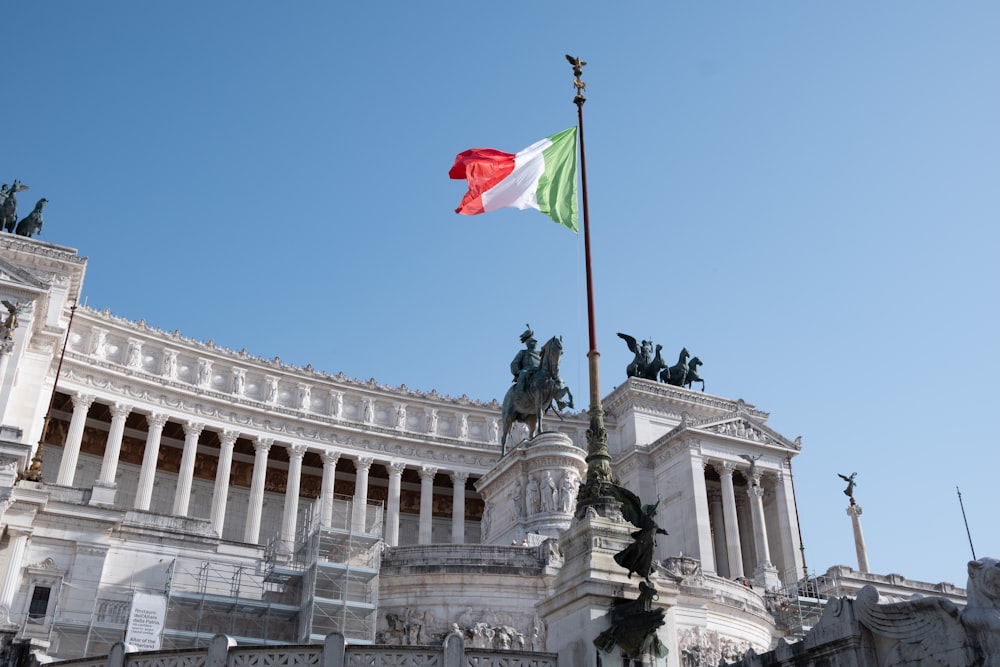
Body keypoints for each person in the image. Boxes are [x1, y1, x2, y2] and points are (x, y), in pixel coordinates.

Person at [510, 325, 540, 394]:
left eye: (535, 342)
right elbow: (514, 363)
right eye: (531, 342)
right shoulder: (523, 352)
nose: (534, 343)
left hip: (538, 370)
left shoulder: (540, 353)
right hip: (528, 370)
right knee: (523, 373)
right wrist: (517, 371)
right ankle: (519, 393)